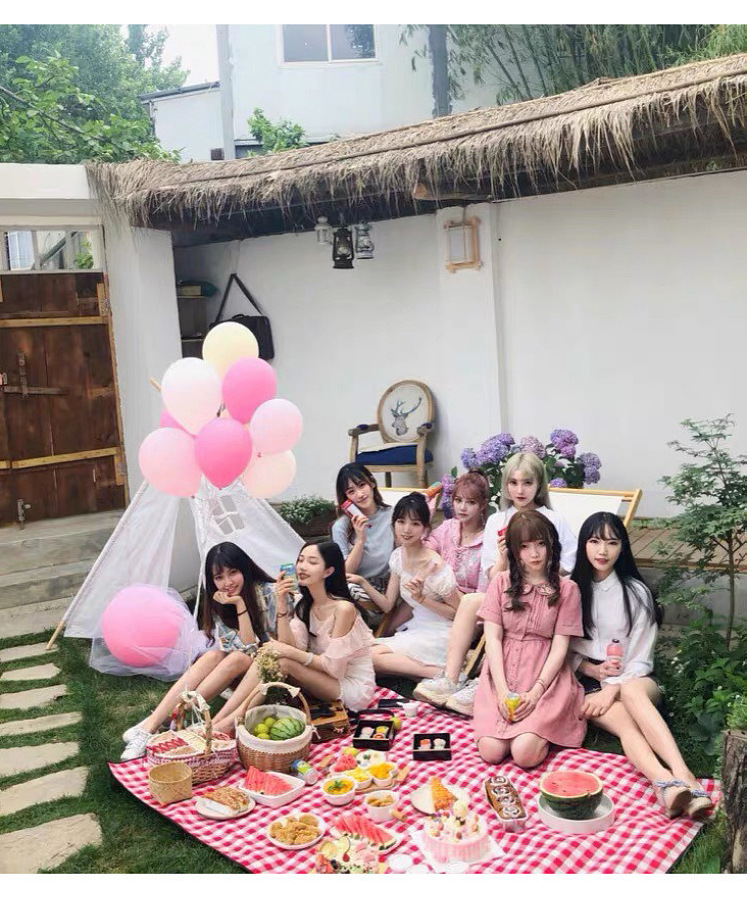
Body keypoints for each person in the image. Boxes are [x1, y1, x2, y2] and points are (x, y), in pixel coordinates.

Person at [569, 512, 713, 820]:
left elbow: (641, 658)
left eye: (612, 542)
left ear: (623, 547)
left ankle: (684, 774)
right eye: (594, 541)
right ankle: (665, 784)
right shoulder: (571, 590)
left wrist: (613, 688)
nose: (602, 551)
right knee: (624, 723)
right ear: (583, 545)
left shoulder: (635, 592)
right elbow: (562, 647)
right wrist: (590, 671)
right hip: (589, 684)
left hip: (636, 676)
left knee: (632, 692)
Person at [414, 453, 577, 714]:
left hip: (541, 595)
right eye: (513, 483)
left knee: (501, 609)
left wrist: (537, 569)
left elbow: (568, 564)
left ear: (539, 485)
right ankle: (451, 678)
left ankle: (483, 683)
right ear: (505, 485)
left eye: (527, 483)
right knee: (470, 601)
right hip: (505, 591)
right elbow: (491, 576)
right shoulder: (497, 520)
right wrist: (503, 558)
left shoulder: (554, 520)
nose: (520, 490)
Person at [120, 542, 274, 760]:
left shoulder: (267, 593)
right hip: (242, 669)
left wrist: (240, 605)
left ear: (245, 569)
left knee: (238, 658)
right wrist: (232, 604)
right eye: (219, 577)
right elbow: (234, 648)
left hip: (270, 670)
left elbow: (253, 651)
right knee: (213, 655)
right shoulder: (220, 600)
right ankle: (150, 727)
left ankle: (183, 719)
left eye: (233, 572)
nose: (227, 583)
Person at [213, 541, 376, 732]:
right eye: (300, 560)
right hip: (322, 679)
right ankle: (217, 721)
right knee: (272, 657)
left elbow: (335, 669)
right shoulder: (304, 604)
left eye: (312, 562)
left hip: (350, 687)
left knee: (282, 661)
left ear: (328, 571)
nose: (302, 567)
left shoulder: (343, 609)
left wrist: (287, 652)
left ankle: (232, 722)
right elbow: (291, 645)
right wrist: (281, 604)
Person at [473, 510, 586, 768]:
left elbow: (560, 647)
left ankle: (544, 729)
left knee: (524, 754)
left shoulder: (566, 589)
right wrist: (502, 692)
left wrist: (536, 692)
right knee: (491, 751)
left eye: (540, 544)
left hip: (545, 677)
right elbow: (493, 639)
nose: (534, 554)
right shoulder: (500, 583)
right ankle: (516, 727)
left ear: (551, 545)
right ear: (514, 550)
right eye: (524, 546)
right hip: (501, 673)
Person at [349, 493, 461, 681]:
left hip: (441, 633)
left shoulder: (435, 566)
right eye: (401, 522)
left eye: (415, 524)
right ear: (393, 524)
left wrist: (421, 599)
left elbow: (458, 614)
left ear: (425, 529)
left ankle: (442, 674)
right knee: (359, 657)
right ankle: (425, 671)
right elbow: (387, 605)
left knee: (369, 659)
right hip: (416, 628)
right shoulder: (398, 556)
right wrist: (362, 582)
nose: (406, 529)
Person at [331, 463, 393, 595]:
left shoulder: (393, 516)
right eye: (351, 492)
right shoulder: (341, 527)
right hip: (356, 586)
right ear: (346, 498)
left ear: (372, 483)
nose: (359, 494)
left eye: (362, 485)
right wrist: (360, 541)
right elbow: (345, 573)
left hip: (390, 584)